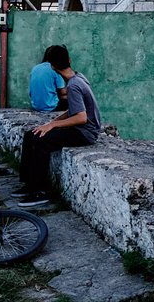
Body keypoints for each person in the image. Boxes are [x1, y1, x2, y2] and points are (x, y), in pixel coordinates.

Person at [16, 50, 101, 207]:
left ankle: (39, 191)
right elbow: (73, 110)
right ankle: (28, 185)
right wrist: (50, 123)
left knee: (40, 141)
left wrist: (53, 125)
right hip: (82, 129)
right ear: (69, 60)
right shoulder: (78, 77)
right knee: (31, 134)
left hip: (85, 133)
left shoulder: (74, 85)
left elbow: (81, 117)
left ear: (52, 67)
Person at [29, 45, 69, 113]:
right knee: (70, 96)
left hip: (35, 106)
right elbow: (62, 92)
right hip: (51, 107)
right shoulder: (56, 68)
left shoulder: (35, 68)